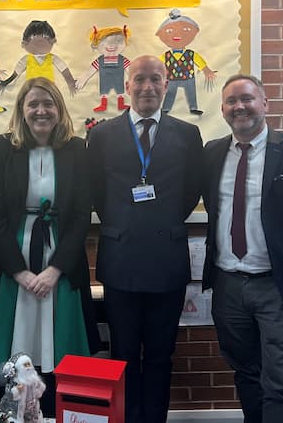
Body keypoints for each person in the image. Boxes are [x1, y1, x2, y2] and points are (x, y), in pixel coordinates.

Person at [201, 74, 283, 423]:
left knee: (281, 383)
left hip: (279, 287)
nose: (239, 107)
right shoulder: (212, 153)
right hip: (229, 286)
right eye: (231, 101)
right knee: (246, 373)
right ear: (222, 109)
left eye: (247, 99)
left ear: (265, 104)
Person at [87, 55, 203, 423]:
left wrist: (161, 219)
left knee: (159, 355)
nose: (147, 87)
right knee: (122, 355)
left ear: (167, 85)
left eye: (155, 79)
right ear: (127, 86)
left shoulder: (187, 134)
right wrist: (124, 222)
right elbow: (96, 192)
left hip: (167, 260)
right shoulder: (101, 135)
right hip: (120, 258)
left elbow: (192, 190)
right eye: (139, 79)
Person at [0, 77, 100, 411]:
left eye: (48, 104)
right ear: (22, 109)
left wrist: (54, 270)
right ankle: (16, 412)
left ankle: (57, 412)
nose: (40, 111)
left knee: (61, 343)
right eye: (33, 104)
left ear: (59, 109)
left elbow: (81, 213)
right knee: (16, 341)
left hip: (61, 258)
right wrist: (19, 272)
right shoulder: (1, 148)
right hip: (14, 258)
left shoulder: (76, 149)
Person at [155, 9, 216, 115]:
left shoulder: (191, 54)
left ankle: (193, 108)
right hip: (172, 78)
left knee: (191, 93)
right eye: (170, 31)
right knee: (170, 94)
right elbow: (157, 65)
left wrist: (206, 70)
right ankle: (165, 109)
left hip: (188, 77)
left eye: (185, 30)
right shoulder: (166, 55)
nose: (177, 34)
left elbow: (200, 61)